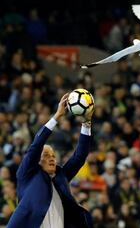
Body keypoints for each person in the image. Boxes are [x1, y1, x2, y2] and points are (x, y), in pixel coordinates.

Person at [7, 93, 94, 228]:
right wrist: (57, 116)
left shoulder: (61, 176)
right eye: (46, 155)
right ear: (37, 160)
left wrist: (86, 123)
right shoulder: (27, 175)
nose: (52, 158)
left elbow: (80, 156)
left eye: (53, 155)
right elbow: (37, 145)